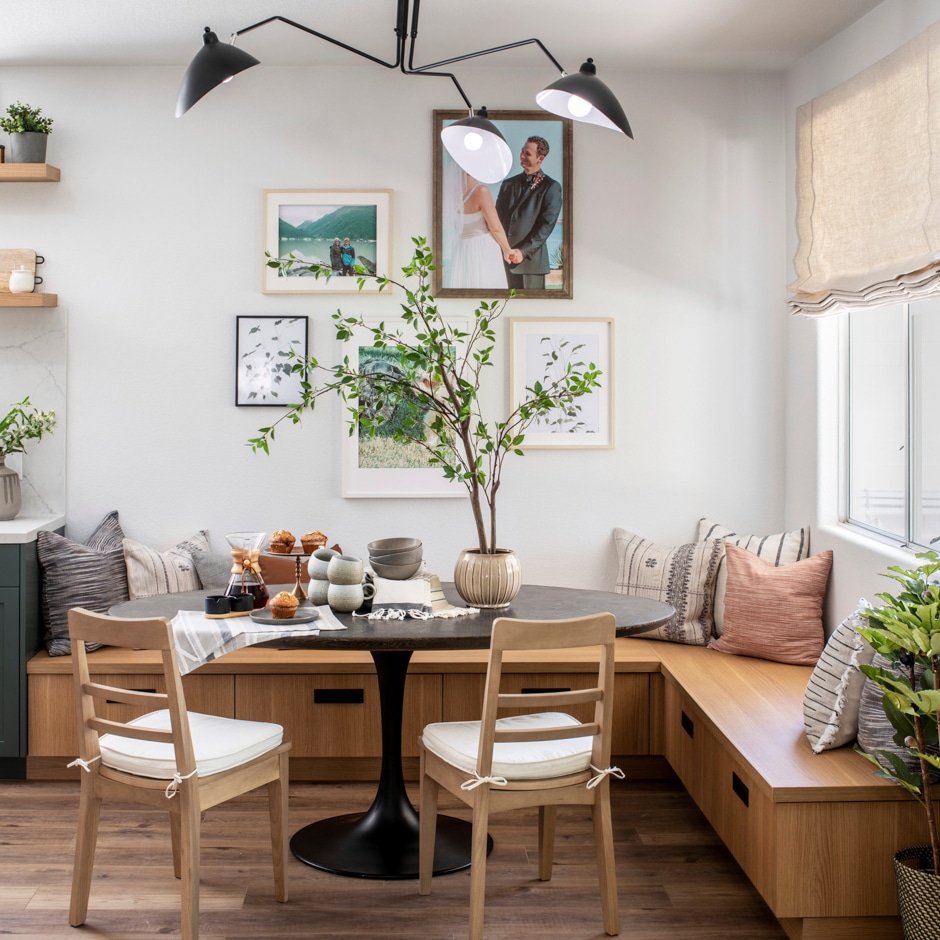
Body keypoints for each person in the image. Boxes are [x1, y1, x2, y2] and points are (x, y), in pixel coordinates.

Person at [495, 135, 562, 290]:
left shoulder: (551, 187)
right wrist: (503, 248)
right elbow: (497, 219)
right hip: (503, 260)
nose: (522, 156)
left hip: (531, 264)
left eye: (527, 153)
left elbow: (545, 227)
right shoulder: (508, 184)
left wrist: (523, 251)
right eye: (522, 151)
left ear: (540, 158)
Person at [443, 162, 513, 290]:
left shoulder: (451, 194)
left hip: (461, 249)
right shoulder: (481, 191)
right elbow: (495, 228)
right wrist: (507, 249)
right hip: (483, 248)